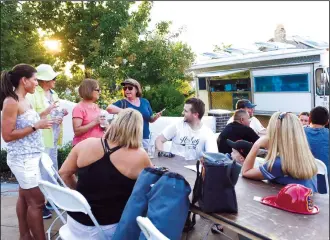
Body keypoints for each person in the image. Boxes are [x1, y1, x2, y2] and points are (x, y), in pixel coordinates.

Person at [59, 108, 152, 239]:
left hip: (75, 222)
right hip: (107, 228)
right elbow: (151, 189)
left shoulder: (85, 144)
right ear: (138, 129)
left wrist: (81, 197)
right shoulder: (140, 156)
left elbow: (63, 173)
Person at [0, 64, 54, 240]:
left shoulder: (25, 99)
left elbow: (27, 121)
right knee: (37, 202)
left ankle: (24, 235)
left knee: (24, 198)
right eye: (35, 79)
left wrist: (44, 114)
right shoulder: (11, 101)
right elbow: (7, 135)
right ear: (24, 80)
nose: (37, 83)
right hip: (22, 160)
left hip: (31, 157)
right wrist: (34, 126)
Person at [26, 64, 68, 218]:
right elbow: (30, 117)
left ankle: (51, 200)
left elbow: (54, 111)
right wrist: (46, 113)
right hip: (40, 138)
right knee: (41, 171)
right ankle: (40, 204)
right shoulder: (32, 94)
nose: (55, 80)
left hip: (53, 136)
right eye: (53, 78)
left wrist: (61, 113)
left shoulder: (53, 93)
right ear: (45, 80)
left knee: (51, 170)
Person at [242, 112, 318, 192]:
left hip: (290, 203)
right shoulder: (307, 159)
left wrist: (256, 145)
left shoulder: (278, 164)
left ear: (274, 135)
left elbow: (245, 172)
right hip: (308, 202)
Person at [106, 78, 162, 150]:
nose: (127, 90)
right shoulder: (122, 102)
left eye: (130, 88)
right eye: (125, 88)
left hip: (144, 137)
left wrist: (155, 117)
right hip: (128, 139)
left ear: (136, 89)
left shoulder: (145, 102)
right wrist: (128, 112)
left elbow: (150, 119)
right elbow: (109, 108)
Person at [72, 78, 104, 146]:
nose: (100, 92)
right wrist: (95, 122)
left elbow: (99, 125)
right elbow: (77, 131)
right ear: (89, 90)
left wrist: (105, 125)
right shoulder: (79, 108)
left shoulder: (96, 106)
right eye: (98, 90)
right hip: (83, 147)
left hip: (97, 146)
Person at [304, 106, 329, 193]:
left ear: (309, 119)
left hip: (303, 183)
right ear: (327, 121)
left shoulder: (299, 133)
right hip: (326, 186)